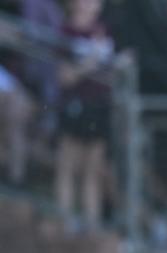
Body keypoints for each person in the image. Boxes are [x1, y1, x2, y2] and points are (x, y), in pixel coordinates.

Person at [54, 0, 114, 232]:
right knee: (68, 167)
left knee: (93, 171)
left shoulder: (103, 30)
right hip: (75, 105)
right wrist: (90, 61)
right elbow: (65, 77)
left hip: (100, 106)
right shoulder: (65, 32)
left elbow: (108, 71)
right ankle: (65, 224)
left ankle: (92, 227)